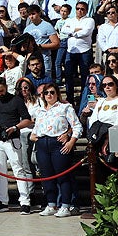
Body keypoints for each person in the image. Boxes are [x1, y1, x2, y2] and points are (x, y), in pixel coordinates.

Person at [0, 77, 35, 214]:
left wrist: (15, 127)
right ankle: (3, 201)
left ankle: (25, 202)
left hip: (13, 139)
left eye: (2, 91)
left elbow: (27, 120)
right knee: (0, 171)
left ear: (6, 87)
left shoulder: (16, 100)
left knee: (18, 169)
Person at [31, 82, 82, 218]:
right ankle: (51, 204)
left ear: (57, 94)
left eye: (52, 92)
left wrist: (71, 141)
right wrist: (36, 137)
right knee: (47, 176)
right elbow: (36, 129)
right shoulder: (40, 110)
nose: (49, 95)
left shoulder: (65, 107)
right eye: (46, 93)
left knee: (62, 175)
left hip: (58, 144)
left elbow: (77, 126)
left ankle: (65, 205)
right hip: (43, 143)